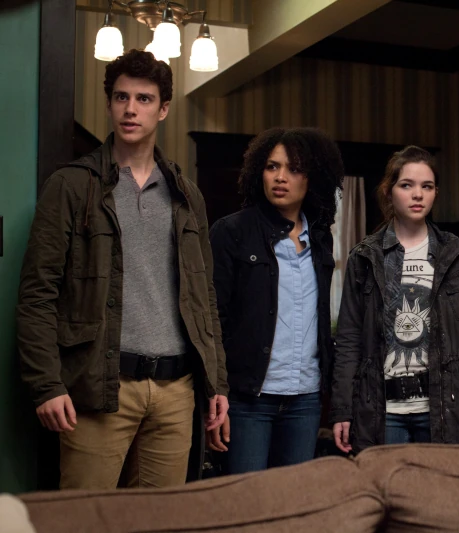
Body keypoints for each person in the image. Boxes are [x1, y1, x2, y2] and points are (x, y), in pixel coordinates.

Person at [16, 49, 228, 489]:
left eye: (144, 99)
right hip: (100, 386)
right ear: (110, 103)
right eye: (121, 97)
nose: (131, 109)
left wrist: (217, 384)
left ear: (163, 109)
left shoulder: (186, 195)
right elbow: (38, 295)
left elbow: (204, 297)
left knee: (159, 518)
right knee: (87, 517)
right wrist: (47, 385)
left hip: (175, 390)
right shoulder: (72, 186)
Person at [330, 146, 459, 454]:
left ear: (435, 193)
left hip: (444, 407)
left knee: (441, 486)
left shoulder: (456, 255)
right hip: (382, 410)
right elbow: (349, 339)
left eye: (427, 186)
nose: (418, 194)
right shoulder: (365, 257)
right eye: (407, 185)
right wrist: (342, 409)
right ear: (389, 191)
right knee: (386, 484)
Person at [206, 127, 343, 472]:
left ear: (313, 178)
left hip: (306, 397)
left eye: (294, 169)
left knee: (292, 499)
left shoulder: (321, 239)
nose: (281, 177)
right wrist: (214, 393)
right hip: (247, 398)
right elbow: (213, 320)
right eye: (272, 166)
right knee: (247, 499)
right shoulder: (231, 232)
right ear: (259, 172)